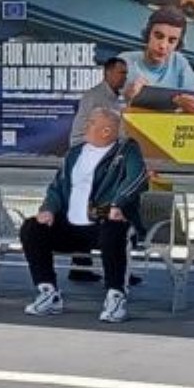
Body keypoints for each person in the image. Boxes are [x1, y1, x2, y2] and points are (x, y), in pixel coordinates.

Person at [20, 108, 148, 324]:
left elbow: (138, 178)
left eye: (91, 122)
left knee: (115, 229)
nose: (85, 126)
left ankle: (116, 297)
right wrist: (48, 209)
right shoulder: (74, 153)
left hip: (104, 221)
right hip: (70, 226)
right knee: (32, 228)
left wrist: (118, 204)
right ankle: (48, 292)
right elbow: (57, 187)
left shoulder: (126, 150)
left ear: (106, 131)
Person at [67, 57, 127, 282]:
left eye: (125, 73)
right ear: (108, 73)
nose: (124, 77)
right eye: (121, 73)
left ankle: (87, 264)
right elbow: (80, 135)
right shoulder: (95, 97)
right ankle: (95, 266)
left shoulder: (116, 99)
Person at [119, 6, 194, 115]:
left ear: (178, 44)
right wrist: (125, 99)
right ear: (148, 34)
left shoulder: (179, 62)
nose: (163, 46)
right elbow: (105, 106)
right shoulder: (124, 61)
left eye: (172, 41)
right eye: (158, 36)